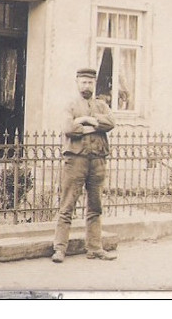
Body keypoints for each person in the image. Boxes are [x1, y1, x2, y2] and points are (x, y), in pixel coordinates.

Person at [51, 67, 118, 263]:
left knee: (95, 206)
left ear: (94, 84)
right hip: (76, 160)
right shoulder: (70, 105)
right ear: (77, 83)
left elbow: (111, 123)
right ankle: (60, 249)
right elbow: (68, 128)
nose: (86, 85)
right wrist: (94, 126)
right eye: (83, 82)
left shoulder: (102, 105)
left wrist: (86, 120)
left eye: (90, 82)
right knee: (67, 205)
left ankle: (95, 248)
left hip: (97, 159)